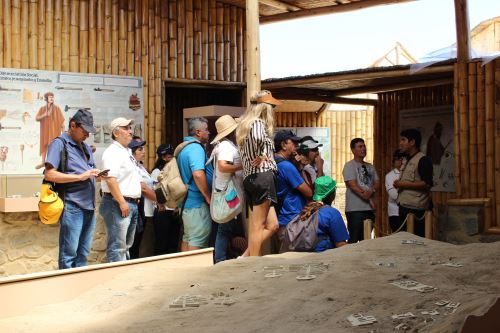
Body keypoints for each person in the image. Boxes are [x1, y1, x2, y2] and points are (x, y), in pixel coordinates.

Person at [44, 109, 102, 269]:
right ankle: (66, 289)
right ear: (73, 125)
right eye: (85, 131)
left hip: (89, 207)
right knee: (68, 255)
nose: (87, 135)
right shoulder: (59, 143)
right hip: (72, 206)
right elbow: (49, 174)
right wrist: (79, 177)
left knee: (83, 254)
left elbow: (88, 172)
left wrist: (97, 175)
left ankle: (79, 288)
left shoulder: (85, 147)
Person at [236, 90, 281, 257]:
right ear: (265, 107)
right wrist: (261, 154)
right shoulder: (257, 124)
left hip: (251, 177)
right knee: (258, 225)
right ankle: (252, 263)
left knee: (273, 224)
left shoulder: (244, 125)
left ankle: (245, 256)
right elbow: (256, 138)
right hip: (262, 176)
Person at [100, 117, 142, 262]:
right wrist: (122, 202)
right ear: (116, 133)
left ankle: (122, 278)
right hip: (117, 203)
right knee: (117, 247)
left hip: (129, 203)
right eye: (126, 128)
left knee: (125, 246)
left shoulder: (126, 151)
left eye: (130, 128)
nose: (130, 131)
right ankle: (116, 281)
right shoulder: (113, 152)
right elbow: (111, 179)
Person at [210, 115, 246, 263]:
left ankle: (221, 258)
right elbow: (223, 166)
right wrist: (243, 166)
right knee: (224, 228)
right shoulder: (225, 146)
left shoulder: (223, 145)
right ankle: (220, 259)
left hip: (225, 191)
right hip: (227, 193)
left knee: (225, 228)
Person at [273, 130, 313, 252]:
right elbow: (309, 192)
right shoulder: (287, 166)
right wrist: (300, 168)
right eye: (293, 142)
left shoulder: (274, 162)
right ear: (283, 145)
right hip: (291, 222)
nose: (296, 145)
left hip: (281, 219)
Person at [177, 117, 212, 251]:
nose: (208, 132)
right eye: (206, 130)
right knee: (197, 240)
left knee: (188, 238)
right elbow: (198, 174)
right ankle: (196, 271)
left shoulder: (184, 148)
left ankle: (185, 270)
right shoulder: (196, 148)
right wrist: (207, 196)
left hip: (186, 203)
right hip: (196, 204)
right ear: (198, 132)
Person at [394, 128, 433, 237]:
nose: (400, 143)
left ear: (412, 142)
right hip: (404, 206)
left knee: (416, 242)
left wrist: (403, 184)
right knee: (404, 241)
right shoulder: (406, 159)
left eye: (403, 140)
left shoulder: (423, 160)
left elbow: (427, 184)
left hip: (416, 210)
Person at [294, 176, 349, 252]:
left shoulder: (306, 210)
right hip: (322, 257)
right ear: (333, 194)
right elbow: (341, 245)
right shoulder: (332, 213)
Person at [342, 138, 379, 243]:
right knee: (354, 239)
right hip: (355, 209)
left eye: (364, 146)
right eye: (360, 146)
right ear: (353, 150)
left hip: (369, 210)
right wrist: (369, 198)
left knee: (366, 239)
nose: (363, 148)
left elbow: (377, 182)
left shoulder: (370, 166)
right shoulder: (349, 165)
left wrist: (371, 191)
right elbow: (352, 185)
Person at [128, 137, 157, 259]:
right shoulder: (132, 166)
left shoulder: (140, 166)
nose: (143, 151)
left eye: (143, 148)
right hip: (137, 206)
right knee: (133, 242)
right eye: (140, 149)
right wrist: (159, 199)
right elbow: (143, 188)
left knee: (138, 241)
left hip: (144, 208)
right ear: (132, 151)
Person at [151, 144, 181, 255]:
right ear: (163, 157)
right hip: (162, 210)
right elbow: (156, 190)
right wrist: (160, 204)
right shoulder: (157, 172)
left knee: (173, 243)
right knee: (161, 243)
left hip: (174, 210)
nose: (172, 158)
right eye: (169, 156)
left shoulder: (175, 169)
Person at [35, 92, 65, 169]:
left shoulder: (57, 108)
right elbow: (37, 118)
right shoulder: (42, 109)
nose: (52, 98)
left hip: (54, 131)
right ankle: (42, 162)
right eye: (50, 97)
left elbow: (61, 122)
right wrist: (45, 115)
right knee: (44, 146)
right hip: (45, 131)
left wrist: (63, 134)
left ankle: (51, 164)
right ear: (46, 99)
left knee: (53, 146)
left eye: (52, 97)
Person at [385, 149, 404, 233]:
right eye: (397, 159)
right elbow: (394, 195)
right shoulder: (390, 176)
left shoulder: (411, 173)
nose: (399, 161)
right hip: (395, 212)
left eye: (401, 158)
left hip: (410, 212)